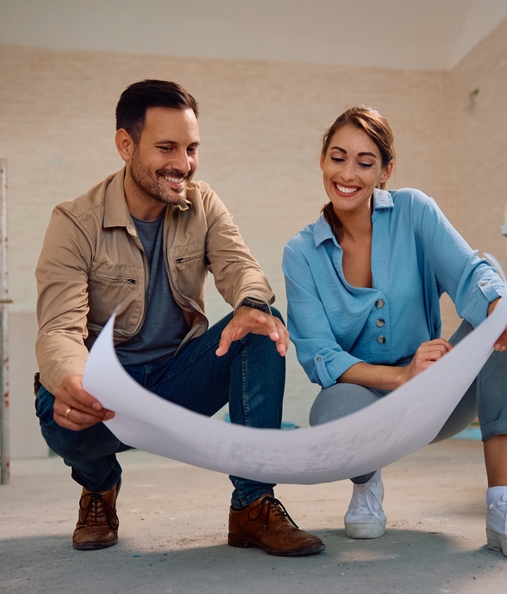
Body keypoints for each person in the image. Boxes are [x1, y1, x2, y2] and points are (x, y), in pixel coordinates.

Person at [34, 80, 324, 557]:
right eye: (166, 147)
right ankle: (99, 486)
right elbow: (59, 330)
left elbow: (239, 268)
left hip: (177, 380)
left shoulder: (203, 202)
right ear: (125, 145)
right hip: (107, 390)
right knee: (57, 403)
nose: (183, 164)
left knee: (258, 323)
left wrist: (251, 302)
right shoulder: (74, 221)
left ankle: (253, 504)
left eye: (191, 148)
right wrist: (72, 379)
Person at [282, 106, 507, 560]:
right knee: (330, 412)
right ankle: (366, 484)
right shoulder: (301, 253)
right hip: (368, 401)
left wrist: (500, 307)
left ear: (385, 171)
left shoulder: (414, 210)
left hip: (438, 396)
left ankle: (503, 504)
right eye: (337, 157)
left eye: (365, 163)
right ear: (323, 161)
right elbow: (320, 356)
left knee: (499, 324)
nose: (347, 174)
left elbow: (470, 273)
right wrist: (403, 375)